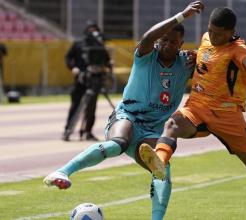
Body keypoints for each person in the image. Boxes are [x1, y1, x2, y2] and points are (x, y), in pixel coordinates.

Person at [43, 2, 204, 220]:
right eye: (164, 40)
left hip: (153, 131)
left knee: (162, 169)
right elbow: (147, 37)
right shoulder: (146, 54)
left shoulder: (187, 62)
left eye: (173, 42)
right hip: (127, 115)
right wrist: (182, 16)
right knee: (118, 144)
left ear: (181, 44)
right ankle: (62, 172)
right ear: (159, 41)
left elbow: (211, 60)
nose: (167, 44)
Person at [139, 7, 246, 220]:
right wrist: (195, 57)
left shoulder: (238, 48)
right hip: (197, 107)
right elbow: (207, 57)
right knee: (172, 125)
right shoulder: (206, 39)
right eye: (210, 31)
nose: (213, 36)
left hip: (228, 116)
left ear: (231, 32)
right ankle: (158, 164)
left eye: (219, 34)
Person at [62, 21, 113, 141]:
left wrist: (108, 66)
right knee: (75, 105)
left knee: (91, 107)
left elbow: (106, 60)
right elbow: (68, 58)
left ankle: (87, 131)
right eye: (90, 30)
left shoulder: (100, 45)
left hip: (95, 80)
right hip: (80, 80)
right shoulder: (78, 44)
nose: (93, 33)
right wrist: (73, 68)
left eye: (95, 30)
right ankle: (67, 130)